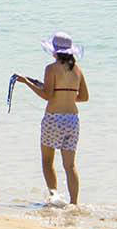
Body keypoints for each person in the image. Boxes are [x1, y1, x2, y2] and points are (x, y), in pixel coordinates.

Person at [15, 32, 89, 205]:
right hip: (72, 120)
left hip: (54, 119)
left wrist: (27, 82)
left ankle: (54, 197)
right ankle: (74, 204)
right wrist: (67, 96)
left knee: (48, 161)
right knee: (70, 166)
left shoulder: (51, 68)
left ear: (55, 51)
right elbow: (84, 97)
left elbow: (47, 95)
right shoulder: (78, 70)